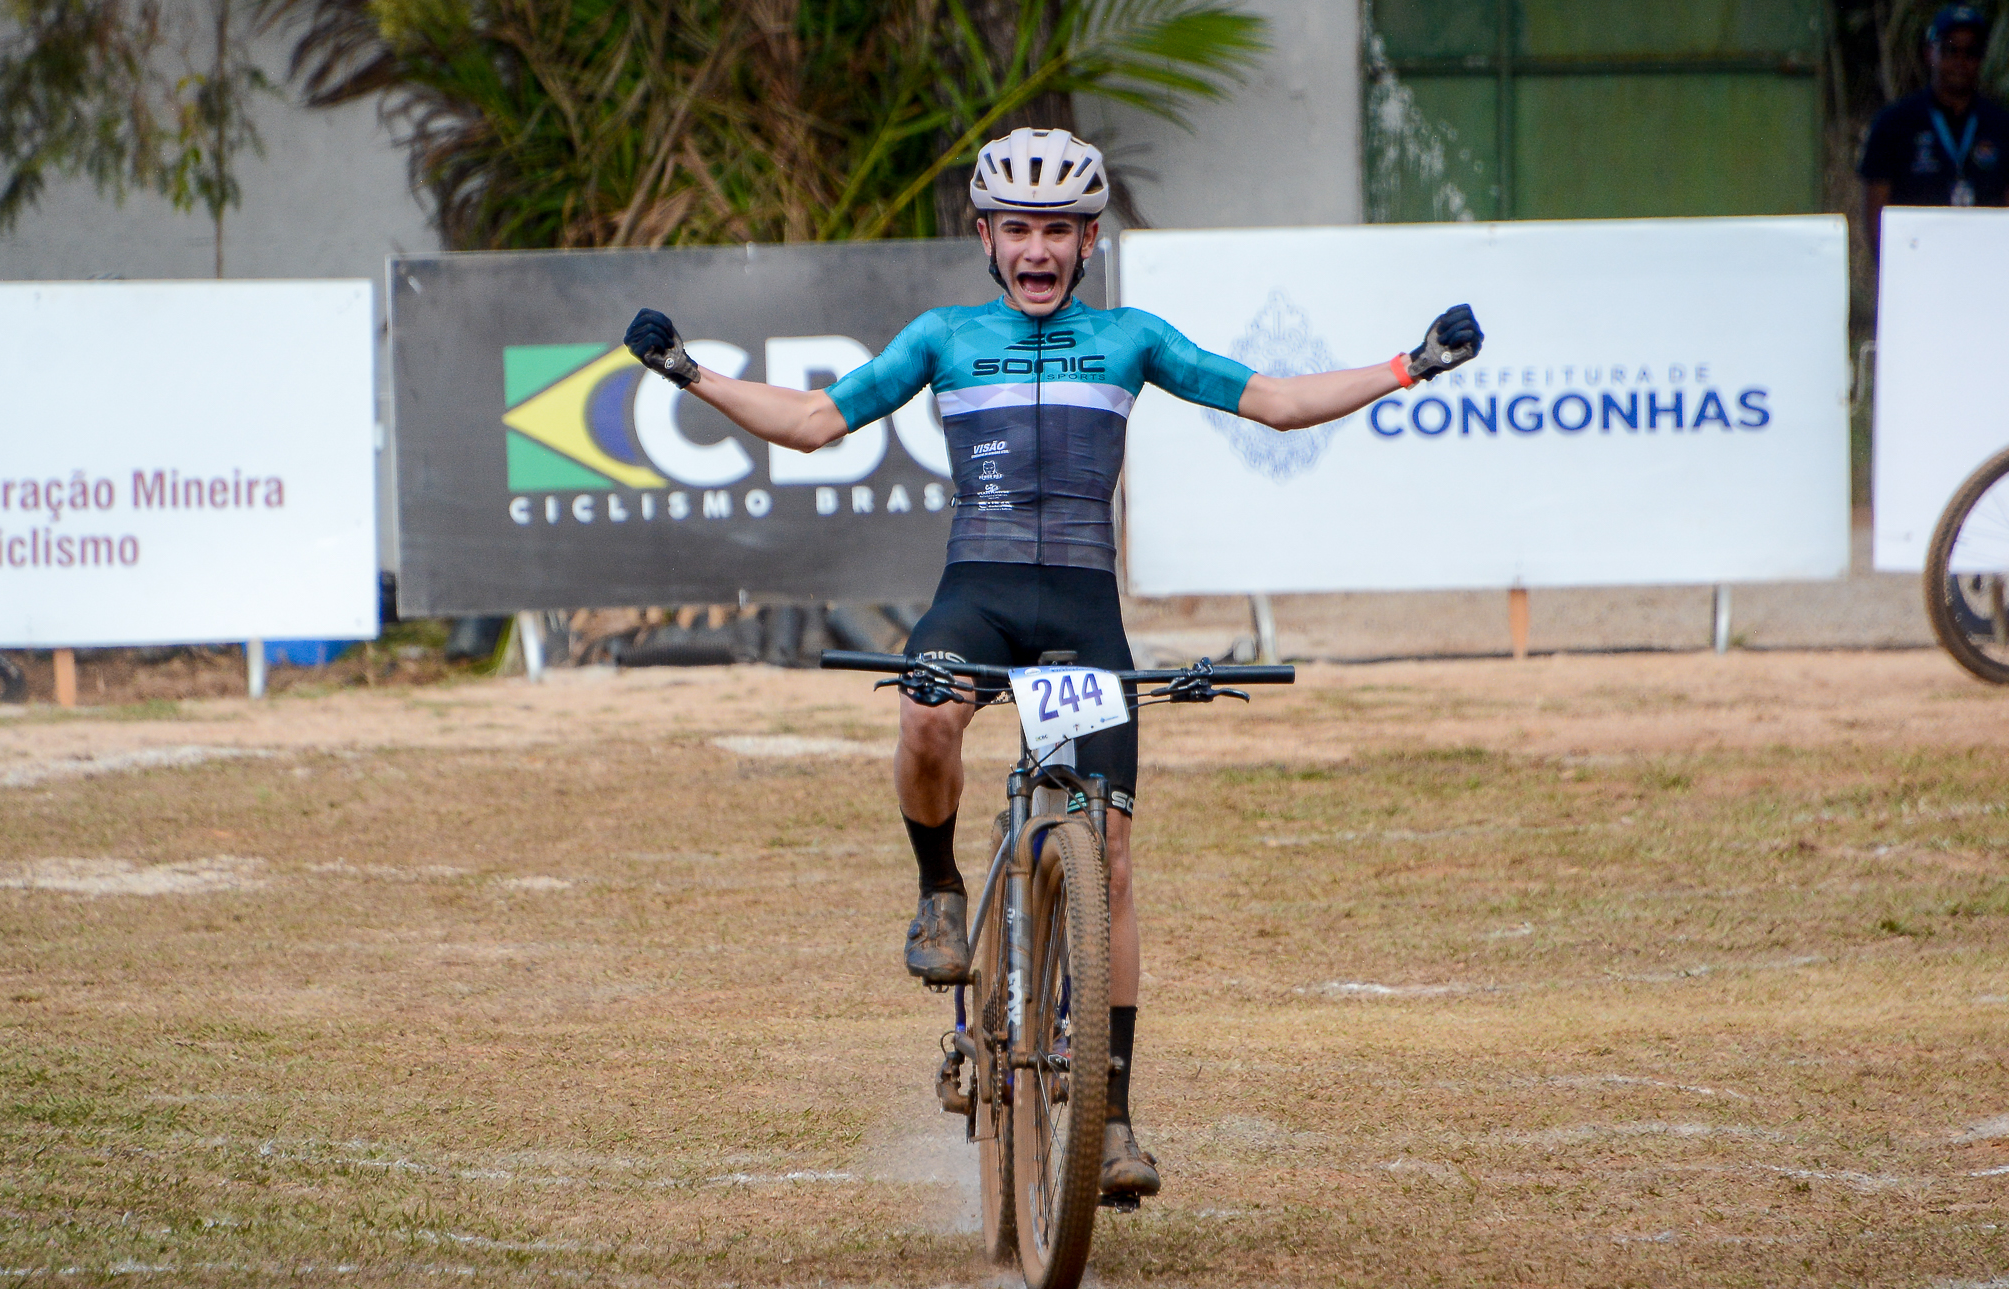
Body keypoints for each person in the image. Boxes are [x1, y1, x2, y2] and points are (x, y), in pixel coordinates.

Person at [624, 127, 1483, 1200]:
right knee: (925, 715)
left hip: (1082, 617)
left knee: (1108, 855)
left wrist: (1411, 365)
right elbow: (807, 422)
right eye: (1019, 229)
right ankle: (940, 890)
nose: (1038, 249)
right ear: (985, 238)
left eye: (1060, 231)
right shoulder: (944, 337)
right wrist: (686, 371)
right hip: (976, 599)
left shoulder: (1130, 339)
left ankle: (1109, 1117)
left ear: (1089, 243)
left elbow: (1271, 402)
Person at [1860, 4, 2009, 256]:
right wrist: (1891, 268)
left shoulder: (2001, 125)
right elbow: (1875, 215)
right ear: (1930, 52)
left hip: (1985, 261)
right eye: (1950, 49)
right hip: (1917, 261)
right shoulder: (1893, 123)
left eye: (1971, 52)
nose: (1960, 61)